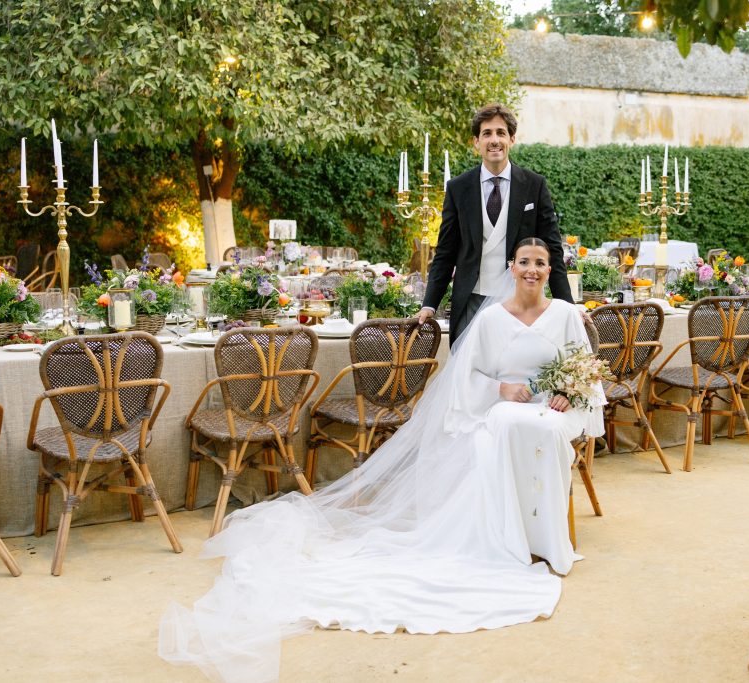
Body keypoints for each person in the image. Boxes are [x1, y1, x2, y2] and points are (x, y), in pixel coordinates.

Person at [160, 239, 603, 683]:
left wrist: (569, 391)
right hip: (503, 410)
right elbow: (467, 380)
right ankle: (510, 536)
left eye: (540, 264)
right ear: (511, 266)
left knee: (540, 429)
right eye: (524, 262)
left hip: (553, 411)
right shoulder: (490, 319)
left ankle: (544, 537)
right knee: (501, 428)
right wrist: (501, 390)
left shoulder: (565, 315)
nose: (532, 269)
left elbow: (587, 369)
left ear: (550, 270)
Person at [419, 103, 572, 343]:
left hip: (520, 303)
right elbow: (445, 253)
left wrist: (567, 306)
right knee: (473, 376)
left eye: (501, 133)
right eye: (487, 133)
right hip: (471, 300)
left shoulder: (534, 185)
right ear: (476, 142)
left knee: (516, 375)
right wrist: (429, 304)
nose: (494, 140)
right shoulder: (458, 188)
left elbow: (552, 248)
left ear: (512, 139)